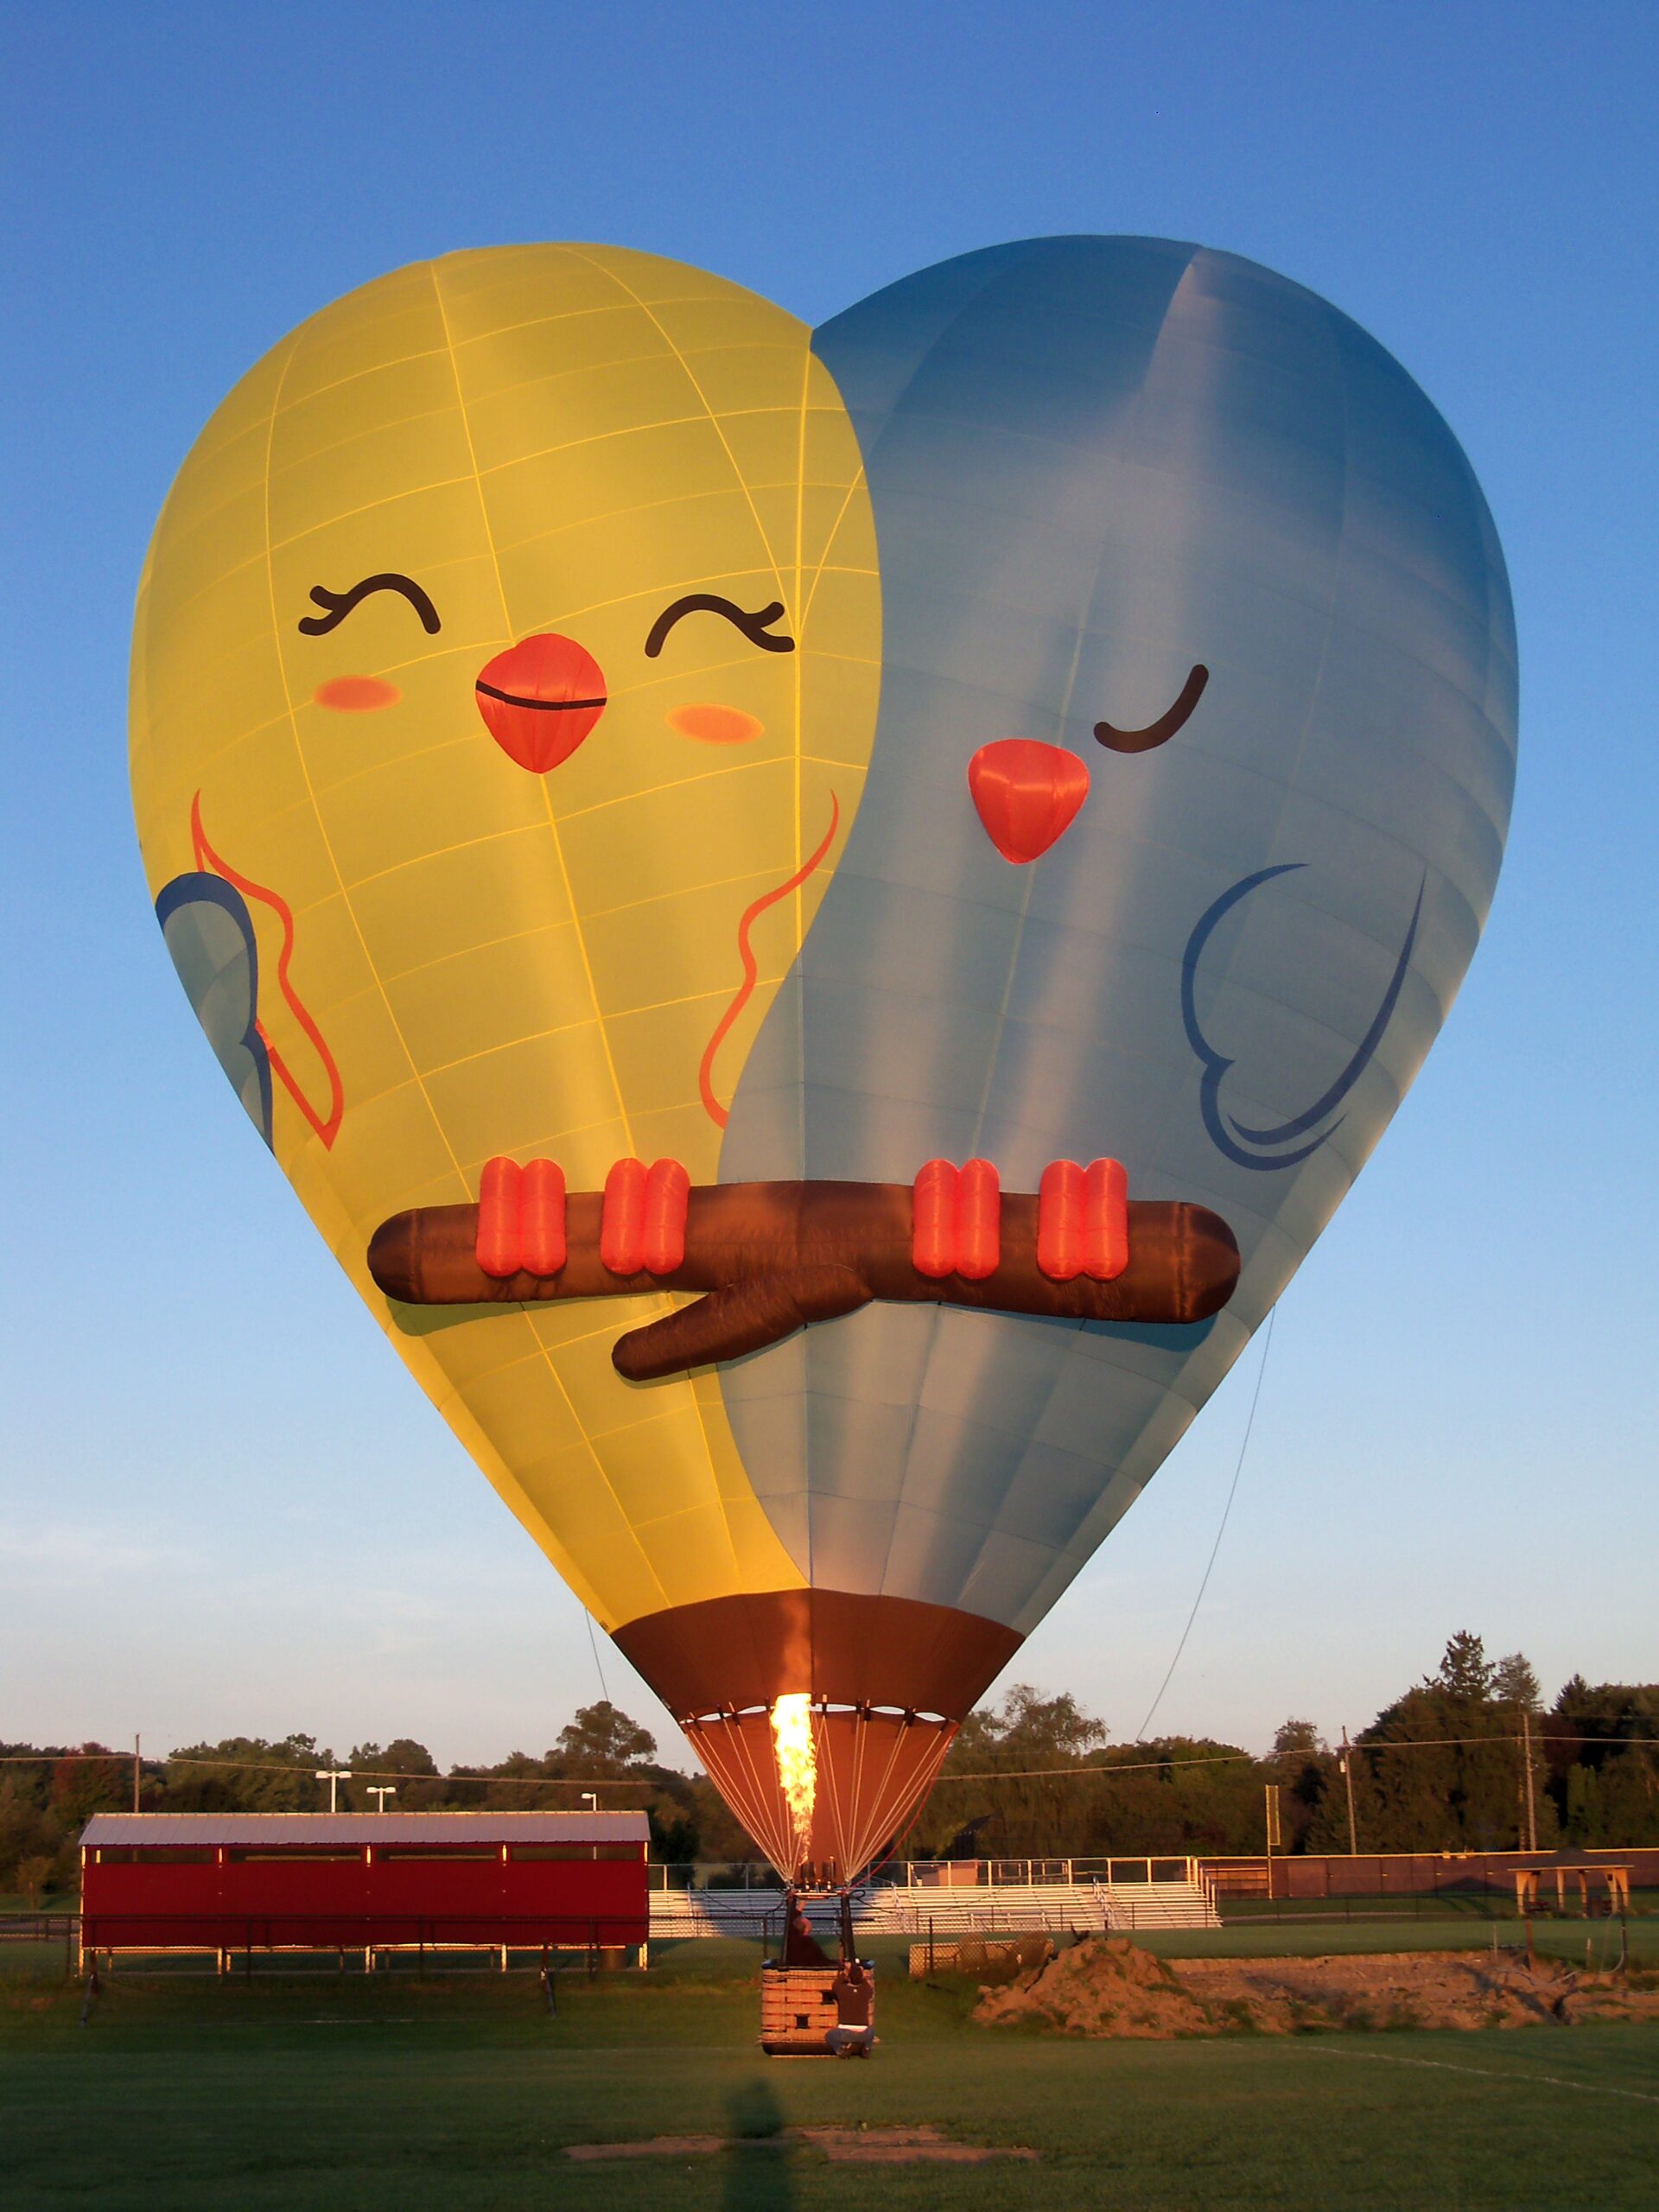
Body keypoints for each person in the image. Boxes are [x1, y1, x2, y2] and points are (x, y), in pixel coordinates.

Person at [826, 1958, 874, 2056]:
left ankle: (841, 2050)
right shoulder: (866, 1991)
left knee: (830, 2036)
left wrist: (846, 1971)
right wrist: (861, 1974)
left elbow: (835, 1985)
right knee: (871, 2031)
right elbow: (869, 1987)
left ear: (849, 1978)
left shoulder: (843, 1990)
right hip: (864, 2033)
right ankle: (866, 2048)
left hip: (845, 2032)